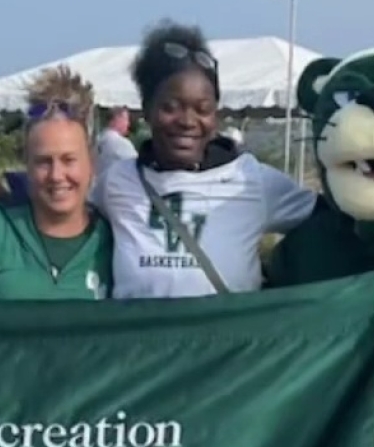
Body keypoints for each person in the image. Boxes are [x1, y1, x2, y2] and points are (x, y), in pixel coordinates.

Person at [92, 20, 316, 298]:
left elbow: (340, 224)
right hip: (141, 341)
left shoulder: (252, 180)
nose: (187, 121)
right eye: (170, 107)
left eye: (203, 109)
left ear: (216, 115)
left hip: (227, 341)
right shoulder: (117, 182)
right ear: (147, 110)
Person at [0, 66, 113, 300]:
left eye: (69, 160)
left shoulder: (116, 240)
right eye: (43, 162)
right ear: (26, 164)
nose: (56, 175)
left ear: (91, 162)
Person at [94, 107, 137, 175]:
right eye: (126, 119)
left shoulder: (97, 140)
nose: (128, 124)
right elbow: (136, 168)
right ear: (117, 119)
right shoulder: (122, 144)